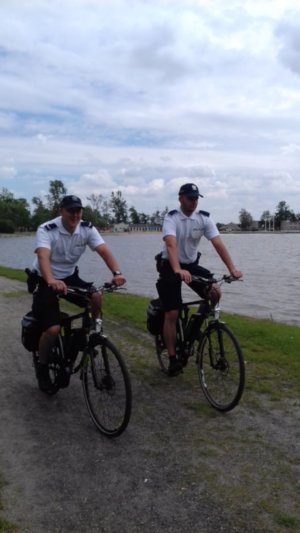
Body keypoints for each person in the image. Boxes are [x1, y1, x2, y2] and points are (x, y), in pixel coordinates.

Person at [31, 194, 126, 393]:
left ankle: (87, 335)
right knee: (53, 329)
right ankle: (42, 366)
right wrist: (50, 280)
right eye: (70, 211)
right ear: (61, 212)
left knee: (96, 297)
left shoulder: (86, 228)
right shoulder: (48, 229)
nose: (75, 215)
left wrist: (117, 273)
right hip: (45, 279)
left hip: (70, 277)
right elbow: (43, 256)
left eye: (78, 211)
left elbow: (103, 250)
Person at [156, 183, 242, 377]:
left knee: (215, 291)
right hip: (170, 265)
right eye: (190, 198)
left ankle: (195, 325)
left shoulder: (203, 218)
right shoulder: (171, 218)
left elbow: (218, 243)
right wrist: (177, 269)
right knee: (172, 312)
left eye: (196, 198)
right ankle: (172, 358)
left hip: (191, 264)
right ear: (181, 198)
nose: (193, 201)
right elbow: (170, 245)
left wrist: (232, 269)